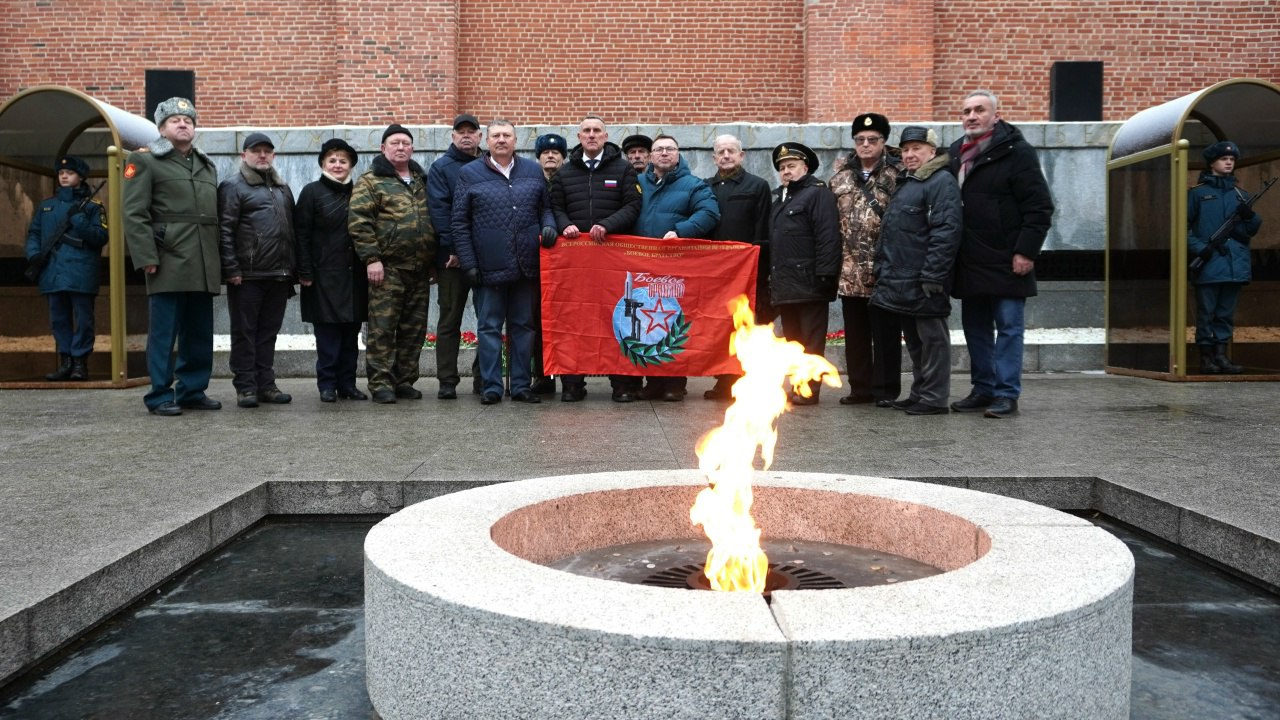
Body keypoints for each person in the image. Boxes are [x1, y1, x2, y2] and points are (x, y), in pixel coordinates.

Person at [947, 89, 1054, 418]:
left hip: (1008, 259)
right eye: (966, 111)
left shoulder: (1016, 151)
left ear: (996, 114)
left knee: (1009, 327)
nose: (971, 116)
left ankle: (1007, 393)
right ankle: (983, 388)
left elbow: (1039, 207)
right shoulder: (955, 152)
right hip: (970, 259)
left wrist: (1025, 251)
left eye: (979, 110)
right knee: (975, 328)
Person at [123, 97, 222, 416]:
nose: (183, 124)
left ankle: (192, 390)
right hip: (167, 258)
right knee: (164, 332)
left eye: (189, 120)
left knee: (198, 330)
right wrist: (145, 256)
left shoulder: (206, 165)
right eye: (175, 120)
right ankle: (159, 394)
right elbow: (134, 213)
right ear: (162, 128)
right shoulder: (145, 161)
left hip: (203, 258)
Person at [452, 119, 557, 405]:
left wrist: (549, 227)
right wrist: (468, 261)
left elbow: (545, 209)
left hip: (526, 264)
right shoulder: (469, 173)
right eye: (496, 135)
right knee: (489, 328)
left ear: (515, 140)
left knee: (524, 327)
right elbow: (460, 222)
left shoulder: (533, 171)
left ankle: (522, 385)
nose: (501, 140)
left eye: (506, 135)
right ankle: (491, 386)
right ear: (487, 141)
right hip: (488, 266)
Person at [548, 115, 642, 402]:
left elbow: (633, 204)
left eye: (596, 131)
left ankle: (622, 384)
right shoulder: (565, 173)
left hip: (613, 259)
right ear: (578, 137)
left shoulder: (623, 169)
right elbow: (555, 205)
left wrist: (608, 225)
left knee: (617, 319)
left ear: (605, 136)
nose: (591, 135)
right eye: (586, 131)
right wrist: (565, 225)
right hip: (575, 263)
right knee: (574, 319)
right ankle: (573, 383)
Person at [869, 127, 962, 416]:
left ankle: (934, 398)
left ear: (932, 152)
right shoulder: (909, 182)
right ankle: (920, 392)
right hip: (902, 280)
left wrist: (934, 275)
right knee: (916, 342)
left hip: (924, 280)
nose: (909, 155)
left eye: (917, 149)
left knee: (932, 341)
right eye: (906, 150)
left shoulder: (940, 181)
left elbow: (946, 231)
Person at [349, 123, 437, 404]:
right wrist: (372, 259)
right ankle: (380, 383)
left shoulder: (421, 180)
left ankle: (404, 380)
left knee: (414, 329)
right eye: (395, 143)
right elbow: (360, 222)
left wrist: (432, 258)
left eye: (406, 143)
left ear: (412, 149)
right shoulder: (371, 180)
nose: (401, 147)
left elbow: (432, 220)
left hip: (420, 270)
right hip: (387, 269)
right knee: (383, 328)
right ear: (383, 148)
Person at [633, 134, 720, 402]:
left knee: (672, 322)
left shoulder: (694, 185)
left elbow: (709, 214)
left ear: (678, 153)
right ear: (651, 155)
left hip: (674, 267)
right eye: (658, 149)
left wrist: (679, 231)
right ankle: (654, 381)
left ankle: (675, 382)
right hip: (641, 267)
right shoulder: (636, 184)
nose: (664, 153)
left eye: (670, 149)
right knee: (644, 324)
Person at [829, 113, 903, 408]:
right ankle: (860, 387)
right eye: (860, 140)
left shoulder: (897, 175)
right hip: (849, 270)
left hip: (884, 268)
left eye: (873, 140)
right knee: (856, 335)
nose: (866, 144)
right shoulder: (840, 176)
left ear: (884, 142)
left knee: (886, 334)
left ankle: (885, 389)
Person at [217, 132, 297, 408]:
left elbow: (291, 232)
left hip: (278, 274)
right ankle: (246, 386)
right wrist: (231, 268)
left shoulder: (283, 188)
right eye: (256, 151)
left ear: (273, 156)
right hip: (247, 275)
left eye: (267, 151)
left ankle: (266, 384)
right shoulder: (233, 186)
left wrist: (292, 271)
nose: (262, 155)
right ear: (244, 155)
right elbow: (225, 231)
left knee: (268, 333)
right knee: (244, 332)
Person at [295, 138, 369, 402]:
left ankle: (348, 384)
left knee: (351, 335)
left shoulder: (360, 192)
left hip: (355, 277)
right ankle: (327, 384)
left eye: (343, 161)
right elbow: (301, 235)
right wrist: (304, 271)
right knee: (327, 336)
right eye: (332, 160)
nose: (338, 165)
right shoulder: (311, 192)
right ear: (323, 164)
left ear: (351, 165)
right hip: (322, 276)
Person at [702, 133, 774, 400]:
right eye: (721, 152)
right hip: (715, 274)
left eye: (731, 151)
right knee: (721, 328)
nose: (726, 155)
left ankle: (748, 381)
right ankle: (724, 379)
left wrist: (758, 267)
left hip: (746, 273)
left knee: (747, 327)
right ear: (713, 157)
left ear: (741, 155)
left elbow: (762, 228)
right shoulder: (705, 187)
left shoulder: (757, 186)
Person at [768, 142, 841, 405]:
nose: (786, 171)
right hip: (787, 285)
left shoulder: (816, 194)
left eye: (792, 166)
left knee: (810, 342)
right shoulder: (782, 200)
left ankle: (810, 390)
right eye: (782, 168)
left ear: (805, 167)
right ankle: (799, 386)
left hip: (810, 283)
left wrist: (825, 274)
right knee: (794, 342)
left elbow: (828, 236)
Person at [25, 155, 107, 382]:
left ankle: (80, 363)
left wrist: (79, 220)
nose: (64, 176)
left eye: (69, 173)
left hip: (81, 270)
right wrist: (34, 255)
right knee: (58, 319)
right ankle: (66, 362)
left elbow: (100, 237)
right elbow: (33, 233)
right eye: (61, 173)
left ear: (80, 177)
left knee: (83, 319)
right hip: (52, 270)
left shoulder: (92, 207)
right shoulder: (46, 206)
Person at [1188, 140, 1263, 374]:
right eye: (1223, 159)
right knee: (1206, 313)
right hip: (1209, 262)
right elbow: (1182, 228)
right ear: (1212, 163)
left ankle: (1221, 356)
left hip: (1234, 264)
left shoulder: (1241, 195)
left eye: (1231, 159)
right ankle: (1206, 358)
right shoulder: (1198, 194)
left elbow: (1251, 230)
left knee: (1225, 313)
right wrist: (1201, 249)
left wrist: (1249, 216)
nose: (1229, 162)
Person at [426, 114, 483, 400]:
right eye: (460, 132)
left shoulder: (490, 165)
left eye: (471, 132)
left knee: (488, 319)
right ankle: (447, 380)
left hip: (486, 257)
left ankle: (483, 377)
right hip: (453, 259)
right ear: (452, 136)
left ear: (479, 137)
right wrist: (454, 250)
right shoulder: (441, 168)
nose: (465, 136)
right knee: (449, 320)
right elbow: (439, 211)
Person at [531, 132, 568, 395]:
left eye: (556, 153)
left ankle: (570, 378)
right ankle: (542, 376)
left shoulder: (570, 181)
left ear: (563, 158)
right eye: (545, 153)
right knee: (536, 322)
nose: (550, 156)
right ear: (538, 157)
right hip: (536, 263)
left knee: (567, 321)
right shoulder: (530, 182)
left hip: (567, 265)